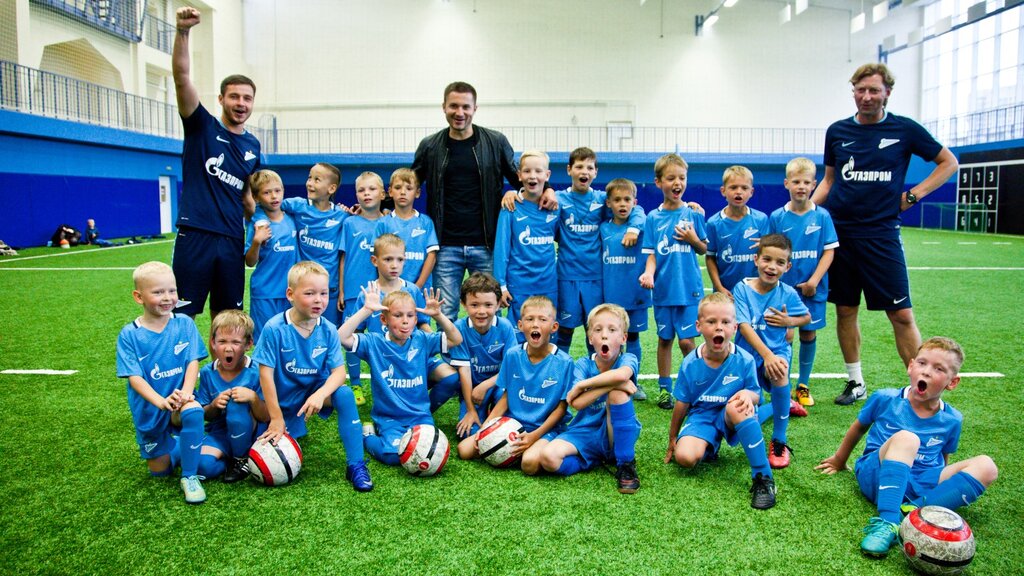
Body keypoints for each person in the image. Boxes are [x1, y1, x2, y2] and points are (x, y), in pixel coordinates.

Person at [810, 63, 958, 406]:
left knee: (902, 315)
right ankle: (855, 382)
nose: (866, 97)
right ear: (854, 92)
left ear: (887, 93)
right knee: (846, 311)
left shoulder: (904, 129)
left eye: (873, 90)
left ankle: (921, 387)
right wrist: (802, 214)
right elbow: (829, 180)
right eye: (860, 90)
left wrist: (913, 196)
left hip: (882, 235)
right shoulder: (837, 131)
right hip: (841, 235)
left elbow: (948, 162)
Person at [816, 337, 998, 557]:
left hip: (919, 481)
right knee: (907, 439)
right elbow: (859, 427)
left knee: (987, 466)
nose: (926, 372)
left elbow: (943, 456)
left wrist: (940, 485)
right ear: (911, 366)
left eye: (939, 369)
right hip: (877, 473)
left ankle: (915, 511)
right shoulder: (885, 398)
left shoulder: (952, 419)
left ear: (952, 382)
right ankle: (888, 523)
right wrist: (839, 459)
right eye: (922, 363)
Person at [250, 261, 372, 492]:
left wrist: (320, 394)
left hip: (309, 396)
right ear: (290, 294)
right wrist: (276, 418)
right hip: (276, 402)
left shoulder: (328, 329)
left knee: (345, 394)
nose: (319, 300)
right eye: (309, 293)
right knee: (255, 443)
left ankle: (356, 464)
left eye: (324, 293)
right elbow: (265, 375)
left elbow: (339, 373)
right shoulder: (274, 328)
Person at [412, 81, 530, 321]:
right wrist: (378, 206)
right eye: (453, 106)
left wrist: (546, 191)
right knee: (445, 314)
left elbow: (519, 178)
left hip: (486, 245)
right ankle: (450, 348)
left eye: (465, 106)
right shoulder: (430, 146)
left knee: (489, 312)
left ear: (475, 108)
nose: (460, 112)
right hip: (445, 246)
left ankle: (490, 349)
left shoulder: (495, 142)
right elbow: (409, 182)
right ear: (444, 107)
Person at [171, 6, 261, 320]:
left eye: (247, 98)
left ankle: (221, 358)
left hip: (232, 239)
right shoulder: (201, 126)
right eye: (234, 96)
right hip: (196, 233)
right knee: (183, 314)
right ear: (221, 99)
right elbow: (182, 78)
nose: (241, 103)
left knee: (228, 318)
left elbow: (248, 198)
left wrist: (274, 221)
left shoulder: (253, 146)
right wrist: (183, 31)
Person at [665, 292, 777, 510]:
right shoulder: (690, 363)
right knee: (685, 458)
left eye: (725, 322)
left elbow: (755, 393)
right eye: (711, 322)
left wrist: (747, 395)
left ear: (734, 327)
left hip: (732, 413)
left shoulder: (744, 360)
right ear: (698, 326)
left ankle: (763, 478)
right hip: (703, 415)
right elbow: (682, 403)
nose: (719, 328)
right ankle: (710, 445)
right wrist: (672, 438)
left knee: (740, 406)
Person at [337, 284, 462, 466]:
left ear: (416, 319)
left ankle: (423, 413)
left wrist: (438, 316)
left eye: (410, 316)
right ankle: (368, 436)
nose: (405, 321)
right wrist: (366, 310)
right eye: (398, 315)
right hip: (389, 418)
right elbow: (341, 337)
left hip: (420, 416)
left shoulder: (422, 340)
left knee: (429, 452)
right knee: (393, 456)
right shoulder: (374, 343)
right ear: (384, 319)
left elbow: (456, 339)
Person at [115, 261, 209, 504]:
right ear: (139, 297)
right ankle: (184, 446)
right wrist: (161, 402)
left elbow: (192, 361)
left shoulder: (184, 323)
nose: (167, 298)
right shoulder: (129, 335)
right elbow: (135, 378)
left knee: (193, 411)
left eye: (172, 290)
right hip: (151, 409)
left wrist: (186, 393)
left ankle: (190, 476)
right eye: (158, 292)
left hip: (180, 404)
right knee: (161, 472)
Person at [457, 296, 573, 476]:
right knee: (464, 450)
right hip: (512, 424)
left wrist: (534, 436)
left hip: (544, 429)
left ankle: (553, 452)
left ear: (554, 327)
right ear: (520, 325)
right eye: (530, 319)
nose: (535, 324)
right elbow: (506, 398)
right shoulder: (513, 355)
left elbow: (561, 408)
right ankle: (517, 451)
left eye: (543, 320)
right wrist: (485, 429)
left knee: (529, 464)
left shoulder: (564, 362)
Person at [540, 304, 643, 494]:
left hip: (614, 432)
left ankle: (625, 463)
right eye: (598, 329)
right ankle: (591, 460)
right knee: (548, 458)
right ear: (590, 338)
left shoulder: (628, 359)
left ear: (623, 338)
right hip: (584, 432)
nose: (604, 335)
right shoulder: (583, 365)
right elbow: (577, 403)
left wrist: (584, 386)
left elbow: (622, 375)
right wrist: (609, 385)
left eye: (612, 330)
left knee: (618, 394)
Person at [354, 234, 462, 411]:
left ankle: (421, 410)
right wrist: (373, 359)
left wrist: (428, 346)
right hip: (388, 361)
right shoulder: (368, 295)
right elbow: (355, 334)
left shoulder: (412, 290)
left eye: (400, 259)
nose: (394, 265)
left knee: (451, 378)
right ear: (374, 261)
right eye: (388, 259)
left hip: (415, 355)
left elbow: (422, 324)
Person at [552, 148, 641, 356]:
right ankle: (561, 369)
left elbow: (636, 209)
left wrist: (634, 228)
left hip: (596, 278)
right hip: (566, 276)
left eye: (589, 167)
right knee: (564, 330)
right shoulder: (558, 198)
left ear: (595, 172)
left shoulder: (602, 199)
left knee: (594, 328)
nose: (584, 171)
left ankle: (596, 369)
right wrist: (514, 192)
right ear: (569, 170)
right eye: (579, 166)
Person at [732, 234, 811, 469]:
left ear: (788, 267)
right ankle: (785, 404)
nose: (772, 267)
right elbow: (743, 326)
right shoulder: (742, 288)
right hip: (746, 357)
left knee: (780, 370)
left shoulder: (788, 293)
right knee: (743, 417)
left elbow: (806, 317)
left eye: (780, 262)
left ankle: (779, 440)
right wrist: (764, 355)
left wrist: (789, 321)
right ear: (756, 260)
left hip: (776, 352)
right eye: (767, 259)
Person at [639, 153, 708, 410]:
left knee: (687, 342)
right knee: (665, 339)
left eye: (682, 178)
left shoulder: (693, 214)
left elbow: (703, 249)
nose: (677, 183)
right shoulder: (652, 218)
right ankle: (665, 389)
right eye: (671, 178)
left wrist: (693, 239)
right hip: (664, 292)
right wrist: (649, 273)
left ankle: (695, 385)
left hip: (689, 290)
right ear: (658, 182)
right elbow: (652, 254)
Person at [769, 157, 839, 410]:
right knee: (785, 335)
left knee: (808, 333)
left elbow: (829, 252)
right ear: (786, 183)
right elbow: (772, 252)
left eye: (806, 182)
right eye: (796, 181)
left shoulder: (822, 216)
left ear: (814, 184)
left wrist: (814, 280)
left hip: (813, 288)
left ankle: (803, 385)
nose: (801, 186)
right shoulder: (778, 217)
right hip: (784, 292)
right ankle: (784, 387)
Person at [441, 272, 519, 439]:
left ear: (498, 304)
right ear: (464, 304)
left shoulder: (505, 327)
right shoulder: (459, 328)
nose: (481, 311)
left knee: (508, 425)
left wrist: (485, 386)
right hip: (472, 390)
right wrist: (470, 410)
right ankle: (479, 411)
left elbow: (511, 367)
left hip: (498, 385)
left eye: (488, 305)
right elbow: (464, 371)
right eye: (474, 305)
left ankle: (495, 411)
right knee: (468, 433)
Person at [492, 150, 559, 340]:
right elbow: (501, 250)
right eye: (527, 171)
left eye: (538, 171)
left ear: (547, 175)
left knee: (547, 333)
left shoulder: (555, 206)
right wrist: (501, 286)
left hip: (548, 283)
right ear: (519, 175)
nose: (532, 176)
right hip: (519, 284)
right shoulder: (510, 207)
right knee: (518, 335)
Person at [195, 310, 267, 483]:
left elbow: (266, 416)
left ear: (248, 344)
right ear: (213, 343)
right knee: (202, 468)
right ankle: (230, 459)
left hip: (254, 433)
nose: (228, 348)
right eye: (222, 341)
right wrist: (213, 405)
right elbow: (205, 415)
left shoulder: (258, 371)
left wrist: (253, 398)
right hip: (221, 432)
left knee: (236, 402)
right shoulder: (207, 373)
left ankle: (241, 459)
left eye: (235, 342)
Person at [277, 163, 349, 326]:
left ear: (331, 188)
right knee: (300, 328)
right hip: (303, 285)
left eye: (317, 180)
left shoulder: (341, 215)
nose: (310, 183)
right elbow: (268, 203)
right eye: (309, 178)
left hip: (329, 288)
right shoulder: (297, 206)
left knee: (328, 330)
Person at [600, 178, 652, 399]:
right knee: (610, 340)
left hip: (635, 295)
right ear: (608, 203)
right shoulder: (603, 228)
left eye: (627, 200)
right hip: (611, 296)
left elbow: (641, 214)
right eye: (617, 200)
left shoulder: (642, 226)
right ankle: (610, 380)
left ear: (634, 202)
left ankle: (633, 381)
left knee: (632, 339)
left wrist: (634, 227)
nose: (622, 204)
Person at [339, 171, 386, 403]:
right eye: (361, 190)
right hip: (353, 291)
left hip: (380, 293)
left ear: (383, 194)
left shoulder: (387, 222)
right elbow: (343, 257)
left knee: (380, 338)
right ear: (356, 194)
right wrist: (341, 289)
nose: (366, 194)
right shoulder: (349, 223)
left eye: (372, 189)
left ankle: (384, 382)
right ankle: (356, 384)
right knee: (353, 337)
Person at [244, 170, 297, 344]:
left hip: (290, 292)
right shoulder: (257, 223)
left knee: (289, 338)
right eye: (267, 192)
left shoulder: (292, 218)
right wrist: (256, 242)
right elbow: (250, 261)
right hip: (265, 292)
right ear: (256, 197)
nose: (274, 196)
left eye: (277, 190)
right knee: (266, 339)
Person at [705, 166, 769, 298]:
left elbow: (769, 255)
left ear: (751, 192)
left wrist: (767, 245)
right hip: (726, 292)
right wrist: (719, 287)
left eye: (744, 188)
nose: (739, 192)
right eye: (733, 187)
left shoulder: (761, 219)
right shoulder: (713, 223)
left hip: (756, 291)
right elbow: (710, 257)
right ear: (723, 191)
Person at [375, 169, 439, 291]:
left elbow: (432, 256)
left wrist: (417, 287)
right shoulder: (383, 223)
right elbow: (378, 257)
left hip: (421, 290)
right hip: (391, 291)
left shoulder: (426, 222)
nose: (403, 192)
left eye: (409, 188)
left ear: (417, 193)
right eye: (398, 188)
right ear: (390, 191)